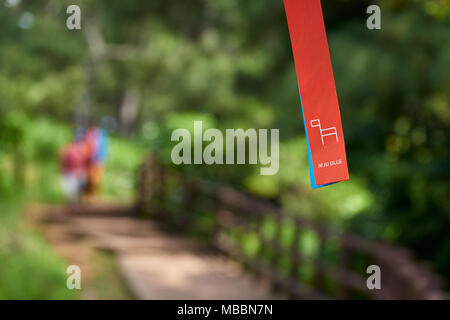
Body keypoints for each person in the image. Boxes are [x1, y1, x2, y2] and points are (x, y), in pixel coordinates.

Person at [84, 126, 108, 198]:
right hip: (91, 161)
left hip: (98, 161)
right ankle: (90, 194)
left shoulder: (102, 137)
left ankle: (95, 194)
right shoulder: (89, 137)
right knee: (91, 179)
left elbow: (103, 149)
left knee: (97, 179)